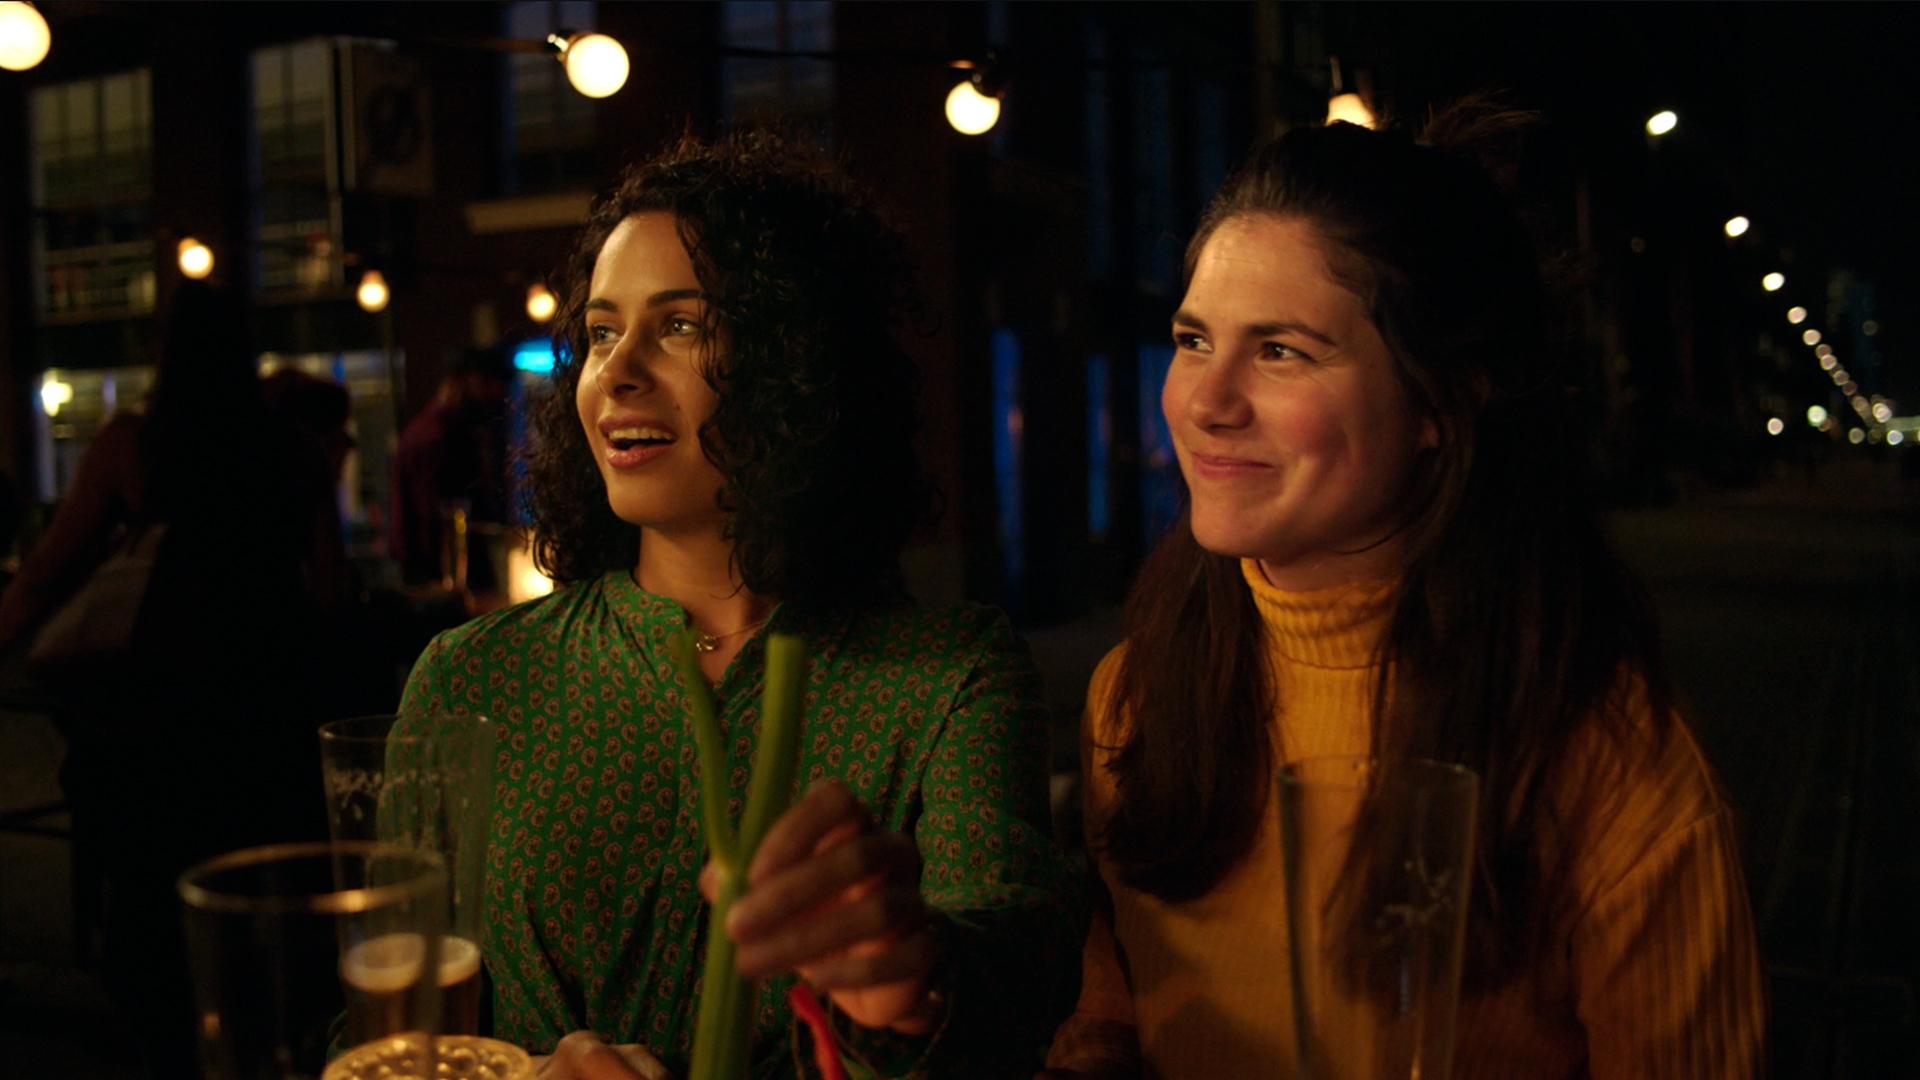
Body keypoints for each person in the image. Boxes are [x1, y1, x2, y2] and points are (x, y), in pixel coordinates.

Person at [1044, 103, 1765, 1078]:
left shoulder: (1607, 767)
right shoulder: (1136, 697)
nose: (1205, 403)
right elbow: (1116, 1007)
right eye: (1193, 338)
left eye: (1282, 350)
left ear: (1439, 400)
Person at [394, 132, 1078, 1078]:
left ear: (798, 364)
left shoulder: (944, 676)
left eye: (680, 325)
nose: (617, 371)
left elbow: (1019, 984)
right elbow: (376, 1042)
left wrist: (905, 979)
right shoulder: (472, 676)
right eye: (600, 332)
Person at [0, 283, 348, 1078]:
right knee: (270, 924)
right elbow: (327, 589)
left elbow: (49, 573)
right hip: (270, 715)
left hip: (160, 727)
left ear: (168, 353)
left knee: (155, 926)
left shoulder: (136, 444)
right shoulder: (290, 448)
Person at [388, 342, 512, 589]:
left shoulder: (444, 432)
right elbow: (432, 524)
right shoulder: (435, 437)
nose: (495, 395)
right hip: (442, 583)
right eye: (486, 385)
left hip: (447, 580)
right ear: (460, 382)